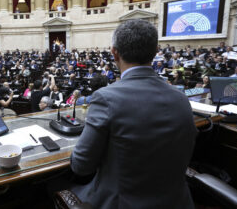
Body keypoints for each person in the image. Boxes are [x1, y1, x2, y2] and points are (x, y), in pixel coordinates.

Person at [70, 19, 197, 208]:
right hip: (177, 202)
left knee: (51, 186)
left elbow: (80, 166)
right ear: (155, 52)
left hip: (121, 202)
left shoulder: (106, 97)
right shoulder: (181, 97)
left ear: (114, 53)